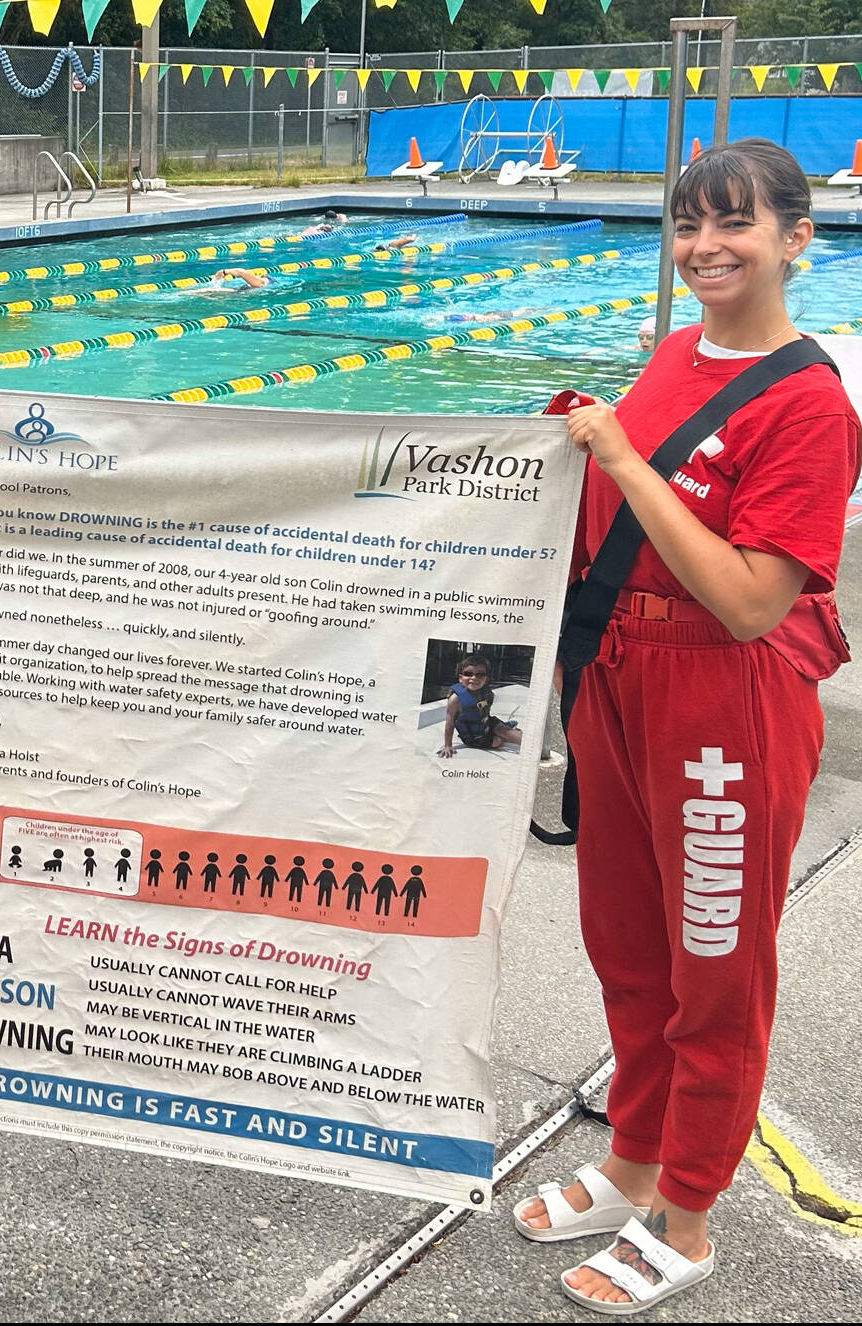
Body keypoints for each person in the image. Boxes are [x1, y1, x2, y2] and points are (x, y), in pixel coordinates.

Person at [514, 139, 858, 1313]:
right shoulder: (672, 354)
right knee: (627, 947)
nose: (706, 246)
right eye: (687, 225)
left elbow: (754, 598)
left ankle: (690, 1213)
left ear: (796, 239)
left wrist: (619, 450)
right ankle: (632, 1159)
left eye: (735, 225)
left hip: (724, 703)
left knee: (712, 968)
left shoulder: (809, 402)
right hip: (615, 681)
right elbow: (609, 519)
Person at [437, 654, 522, 758]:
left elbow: (485, 713)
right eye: (468, 674)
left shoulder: (487, 693)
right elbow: (449, 723)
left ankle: (532, 745)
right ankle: (505, 730)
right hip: (475, 736)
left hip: (487, 723)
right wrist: (448, 745)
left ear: (485, 679)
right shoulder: (455, 700)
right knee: (498, 741)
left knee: (505, 731)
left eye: (480, 675)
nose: (474, 678)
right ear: (460, 678)